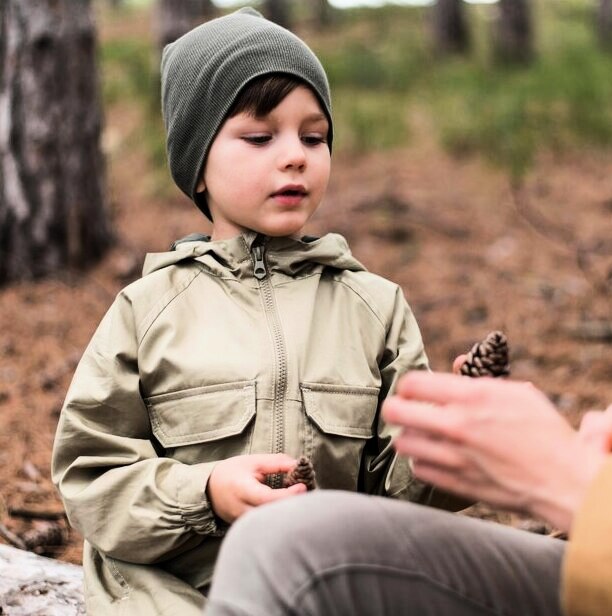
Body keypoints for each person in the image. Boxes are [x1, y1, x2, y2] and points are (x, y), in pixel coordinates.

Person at [51, 9, 468, 615]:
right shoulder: (147, 309)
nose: (295, 156)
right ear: (198, 165)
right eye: (259, 136)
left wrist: (450, 436)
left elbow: (397, 499)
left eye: (314, 136)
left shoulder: (373, 307)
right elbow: (92, 475)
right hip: (174, 597)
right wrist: (206, 492)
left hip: (327, 592)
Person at [205, 371, 612, 616]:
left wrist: (578, 485)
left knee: (284, 552)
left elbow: (400, 483)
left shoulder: (374, 302)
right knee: (287, 544)